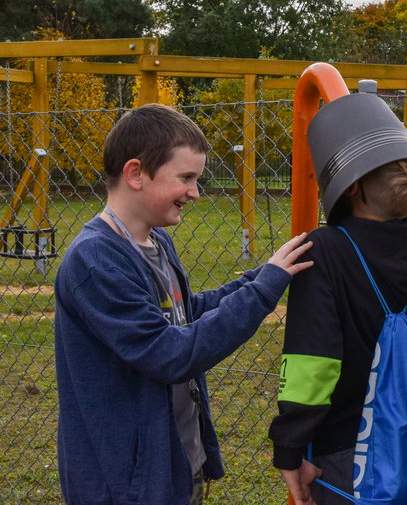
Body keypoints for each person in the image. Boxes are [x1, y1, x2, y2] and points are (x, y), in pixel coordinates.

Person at [54, 103, 314, 505]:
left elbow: (186, 313)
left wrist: (261, 275)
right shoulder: (96, 260)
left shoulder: (155, 241)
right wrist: (261, 292)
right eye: (186, 178)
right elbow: (169, 353)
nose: (195, 192)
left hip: (169, 462)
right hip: (124, 483)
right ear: (136, 173)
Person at [269, 92, 407, 505]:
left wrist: (291, 448)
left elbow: (312, 362)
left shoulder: (325, 249)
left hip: (344, 447)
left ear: (350, 187)